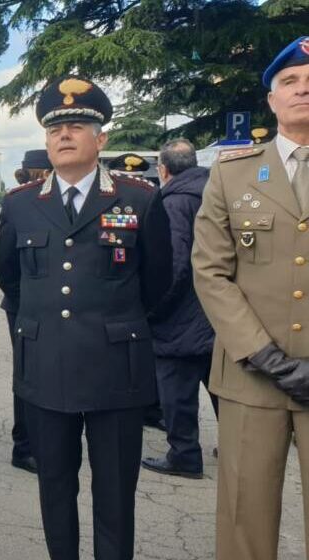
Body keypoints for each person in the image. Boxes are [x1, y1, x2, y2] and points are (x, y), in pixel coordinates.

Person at [0, 77, 173, 560]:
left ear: (102, 138)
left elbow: (159, 281)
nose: (65, 135)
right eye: (55, 129)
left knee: (116, 495)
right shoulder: (20, 205)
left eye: (78, 125)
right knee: (54, 489)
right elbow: (10, 280)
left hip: (117, 371)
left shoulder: (138, 199)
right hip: (45, 370)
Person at [192, 36, 309, 560]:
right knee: (245, 522)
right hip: (251, 375)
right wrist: (265, 355)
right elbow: (210, 271)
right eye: (290, 81)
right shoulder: (231, 171)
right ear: (271, 100)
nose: (302, 89)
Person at [141, 139, 218, 479]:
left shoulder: (174, 203)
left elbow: (172, 266)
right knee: (219, 387)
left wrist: (151, 310)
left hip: (179, 318)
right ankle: (234, 447)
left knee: (176, 393)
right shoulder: (215, 192)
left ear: (163, 169)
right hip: (215, 314)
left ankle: (184, 455)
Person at [3, 149, 53, 476]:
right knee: (27, 375)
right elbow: (5, 267)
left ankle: (45, 439)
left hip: (53, 307)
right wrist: (25, 305)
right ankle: (24, 446)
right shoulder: (19, 203)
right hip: (24, 307)